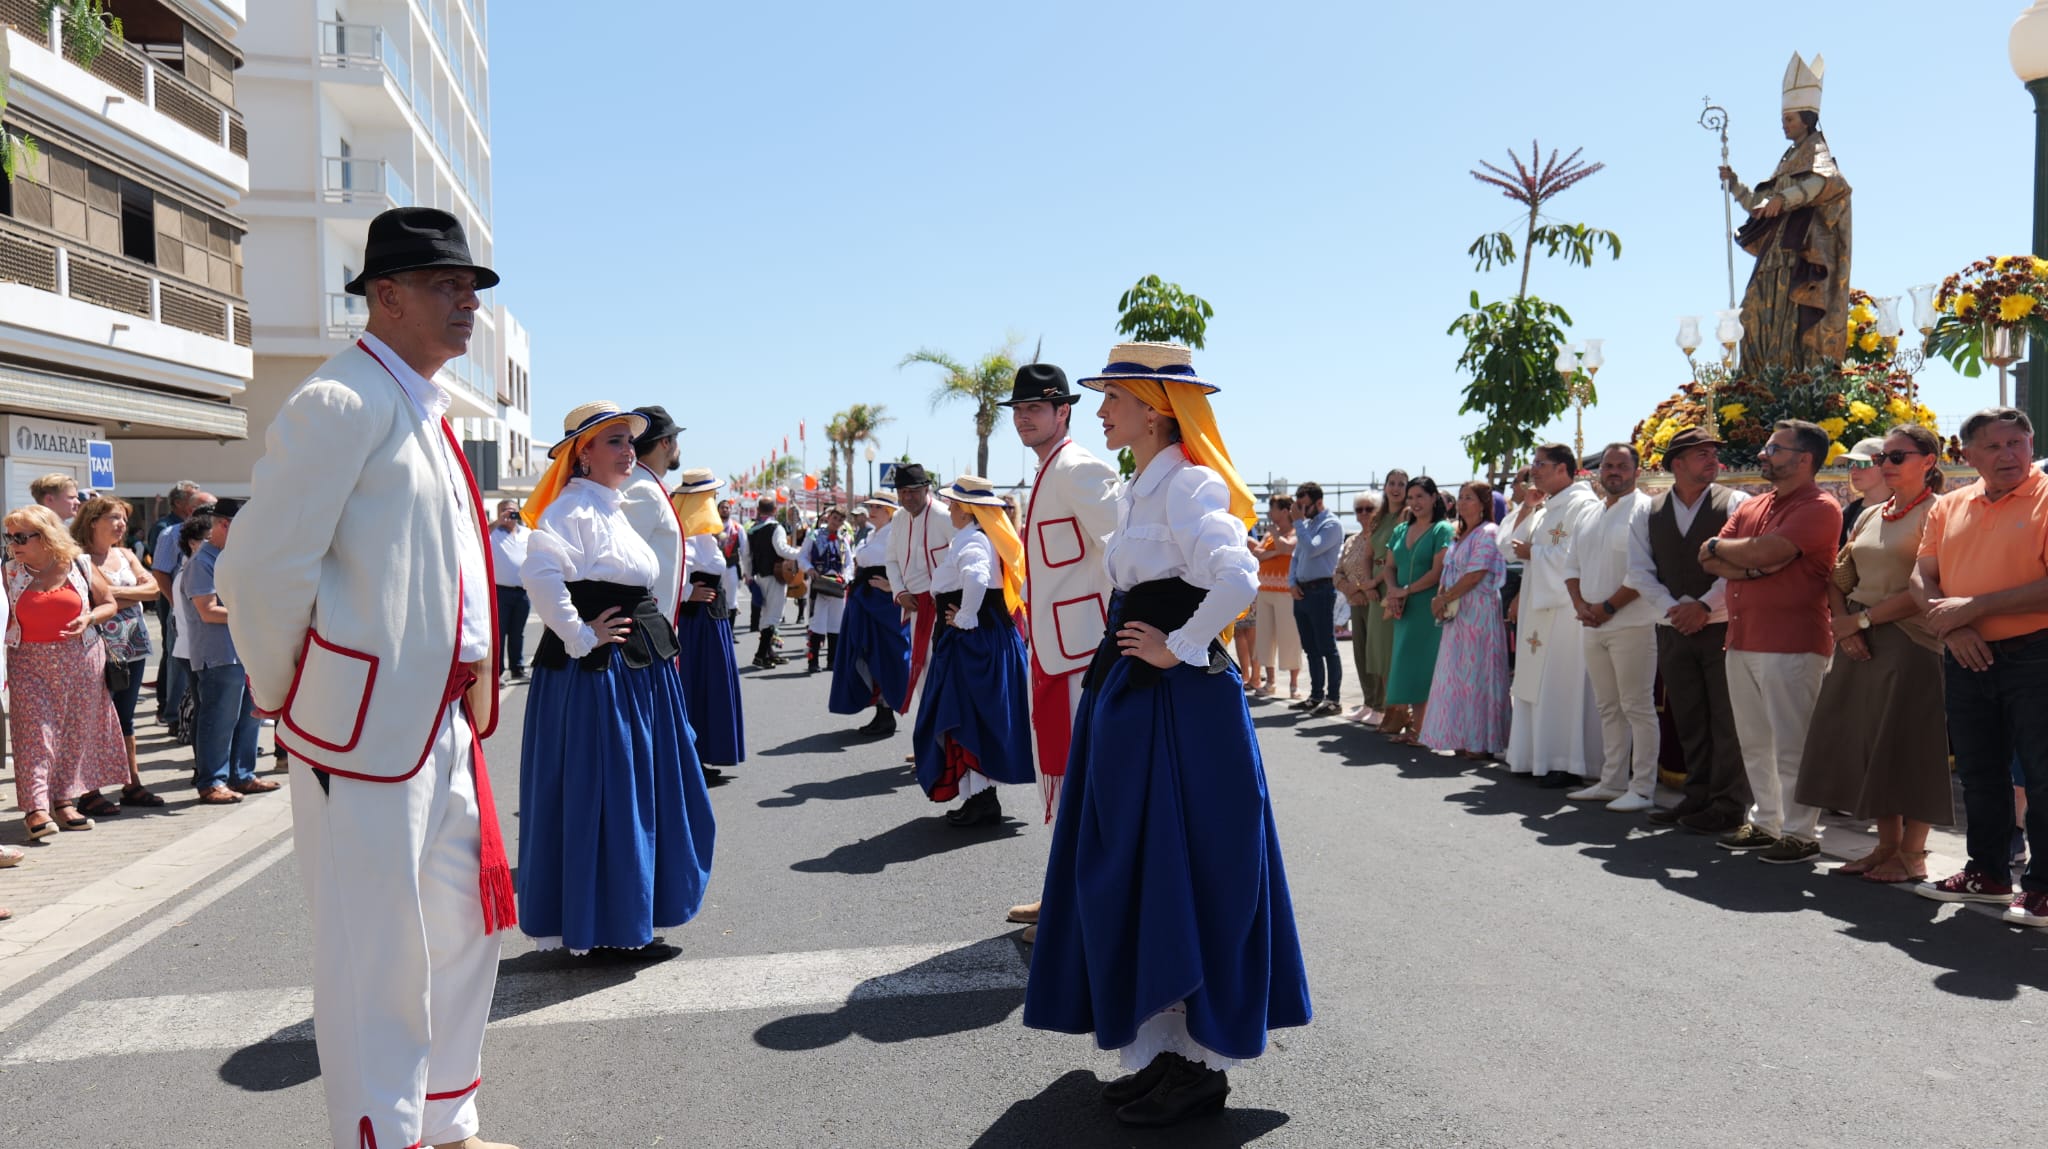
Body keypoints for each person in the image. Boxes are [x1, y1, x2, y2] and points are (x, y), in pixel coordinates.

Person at [216, 206, 519, 1149]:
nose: (467, 304)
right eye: (445, 286)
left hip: (439, 724)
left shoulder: (417, 403)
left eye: (471, 288)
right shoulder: (341, 399)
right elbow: (258, 573)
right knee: (376, 958)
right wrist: (291, 698)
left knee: (465, 930)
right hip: (362, 735)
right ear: (385, 296)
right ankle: (383, 1139)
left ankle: (445, 1122)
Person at [1024, 342, 1310, 1128]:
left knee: (1185, 863)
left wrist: (1178, 646)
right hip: (1138, 704)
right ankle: (1162, 1055)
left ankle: (1199, 1068)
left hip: (1180, 711)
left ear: (1154, 408)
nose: (1103, 409)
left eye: (1113, 396)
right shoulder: (1145, 486)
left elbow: (1240, 577)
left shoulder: (1188, 482)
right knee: (1138, 863)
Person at [516, 401, 717, 957]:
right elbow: (539, 571)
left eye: (631, 442)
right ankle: (609, 927)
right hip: (601, 675)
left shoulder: (606, 507)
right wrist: (581, 635)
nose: (629, 450)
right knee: (610, 790)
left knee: (633, 788)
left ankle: (623, 916)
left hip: (634, 670)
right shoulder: (571, 509)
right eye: (615, 442)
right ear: (583, 454)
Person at [1792, 424, 1948, 883]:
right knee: (1869, 744)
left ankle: (1913, 854)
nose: (1886, 465)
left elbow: (1927, 586)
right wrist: (1845, 627)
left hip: (1912, 640)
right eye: (1884, 457)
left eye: (1898, 457)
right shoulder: (1869, 514)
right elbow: (1839, 576)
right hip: (1860, 638)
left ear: (1929, 461)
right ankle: (1885, 847)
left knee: (1911, 746)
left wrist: (1862, 622)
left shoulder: (1941, 512)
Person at [1911, 407, 2048, 925]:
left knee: (2042, 778)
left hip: (2037, 652)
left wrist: (1975, 607)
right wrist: (1956, 626)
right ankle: (1987, 874)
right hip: (1967, 654)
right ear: (1967, 454)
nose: (2008, 454)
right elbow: (1922, 577)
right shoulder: (1950, 505)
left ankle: (2043, 888)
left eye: (2017, 442)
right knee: (1979, 773)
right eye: (1993, 446)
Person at [999, 362, 1120, 936]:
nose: (1024, 417)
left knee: (1083, 781)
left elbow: (1130, 552)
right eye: (1019, 410)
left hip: (1082, 655)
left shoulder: (1076, 468)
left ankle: (1079, 910)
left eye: (1035, 408)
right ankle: (1064, 895)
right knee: (1069, 779)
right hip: (1058, 652)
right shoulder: (1054, 470)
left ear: (1062, 411)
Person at [1700, 419, 1842, 865]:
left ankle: (1800, 832)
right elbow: (1708, 556)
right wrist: (1753, 563)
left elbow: (1763, 551)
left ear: (1804, 459)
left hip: (1794, 643)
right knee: (1755, 741)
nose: (1763, 454)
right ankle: (1766, 822)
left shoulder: (1821, 506)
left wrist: (1748, 556)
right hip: (1742, 638)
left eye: (1774, 448)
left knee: (1792, 743)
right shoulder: (1756, 505)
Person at [1625, 428, 1751, 833]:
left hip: (1720, 627)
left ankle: (1730, 804)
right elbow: (1639, 571)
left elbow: (1743, 563)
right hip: (1672, 627)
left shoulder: (1736, 503)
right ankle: (1697, 797)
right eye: (1701, 454)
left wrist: (1703, 606)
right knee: (1689, 716)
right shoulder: (1648, 511)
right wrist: (1674, 609)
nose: (1712, 460)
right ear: (1676, 463)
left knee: (1726, 717)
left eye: (1713, 453)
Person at [912, 475, 1035, 827]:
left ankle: (983, 800)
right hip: (980, 638)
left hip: (975, 641)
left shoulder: (974, 542)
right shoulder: (976, 538)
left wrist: (966, 618)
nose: (948, 508)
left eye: (953, 503)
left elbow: (978, 577)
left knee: (969, 715)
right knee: (971, 715)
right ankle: (979, 798)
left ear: (966, 510)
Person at [1719, 53, 1851, 371]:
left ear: (1806, 118)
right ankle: (1758, 381)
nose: (1784, 125)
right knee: (1753, 312)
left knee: (1791, 320)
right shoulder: (1789, 158)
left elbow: (1826, 183)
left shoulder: (1817, 153)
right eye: (1783, 120)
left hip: (1800, 257)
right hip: (1774, 255)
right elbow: (1760, 206)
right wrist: (1734, 184)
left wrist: (1787, 198)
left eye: (1789, 119)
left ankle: (1791, 378)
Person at [3, 504, 125, 838]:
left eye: (21, 536)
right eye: (9, 536)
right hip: (28, 662)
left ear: (45, 537)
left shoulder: (79, 565)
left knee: (74, 734)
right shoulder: (9, 573)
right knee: (34, 736)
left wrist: (90, 618)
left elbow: (109, 604)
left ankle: (64, 800)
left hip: (81, 659)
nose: (13, 543)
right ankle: (36, 809)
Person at [1563, 444, 1660, 811]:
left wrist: (1606, 608)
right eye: (1608, 466)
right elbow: (1571, 566)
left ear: (1637, 471)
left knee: (1637, 706)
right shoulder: (1589, 515)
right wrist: (1581, 606)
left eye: (1622, 465)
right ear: (1598, 472)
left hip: (1632, 624)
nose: (1614, 471)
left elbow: (1644, 572)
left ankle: (1643, 787)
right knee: (1607, 706)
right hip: (1592, 625)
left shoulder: (1645, 510)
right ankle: (1612, 781)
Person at [1505, 444, 1603, 785]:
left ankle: (1566, 760)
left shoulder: (1583, 505)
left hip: (1564, 610)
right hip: (1538, 604)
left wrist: (1536, 553)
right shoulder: (1546, 506)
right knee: (1537, 684)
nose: (1534, 470)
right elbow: (1509, 547)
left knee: (1562, 683)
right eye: (1533, 463)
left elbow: (1578, 556)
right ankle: (1535, 756)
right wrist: (1526, 508)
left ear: (1563, 468)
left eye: (1540, 464)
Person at [71, 496, 166, 813]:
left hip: (133, 645)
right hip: (95, 647)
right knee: (94, 717)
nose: (121, 524)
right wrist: (124, 596)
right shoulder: (78, 558)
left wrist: (109, 596)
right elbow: (84, 601)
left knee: (125, 717)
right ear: (92, 521)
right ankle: (89, 791)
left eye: (124, 518)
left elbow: (153, 591)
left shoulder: (125, 554)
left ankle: (132, 783)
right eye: (114, 517)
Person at [185, 498, 273, 803]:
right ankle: (211, 782)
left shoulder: (233, 558)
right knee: (219, 720)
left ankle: (242, 775)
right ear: (225, 525)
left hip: (244, 652)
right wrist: (255, 614)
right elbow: (207, 611)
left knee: (249, 718)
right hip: (219, 655)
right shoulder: (203, 561)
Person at [1419, 481, 1511, 758]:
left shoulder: (1489, 532)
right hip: (1457, 614)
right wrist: (1439, 597)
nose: (1461, 502)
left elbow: (1476, 574)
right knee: (1456, 676)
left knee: (1477, 675)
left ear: (1483, 503)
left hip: (1478, 612)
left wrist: (1444, 599)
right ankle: (1459, 734)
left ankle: (1480, 740)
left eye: (1468, 497)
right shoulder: (1460, 534)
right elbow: (1448, 572)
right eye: (1460, 497)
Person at [675, 469, 746, 778]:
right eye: (711, 495)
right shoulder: (688, 533)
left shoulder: (702, 531)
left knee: (712, 686)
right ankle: (695, 759)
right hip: (698, 623)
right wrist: (689, 593)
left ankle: (704, 754)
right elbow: (670, 574)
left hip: (712, 619)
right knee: (699, 686)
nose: (716, 500)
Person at [830, 492, 912, 735]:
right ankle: (881, 712)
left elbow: (905, 565)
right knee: (867, 654)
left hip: (883, 605)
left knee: (885, 655)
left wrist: (891, 586)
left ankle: (887, 713)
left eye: (878, 507)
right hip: (867, 600)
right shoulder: (874, 534)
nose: (872, 510)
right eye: (872, 506)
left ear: (890, 512)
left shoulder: (895, 535)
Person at [1382, 476, 1454, 743]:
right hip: (1402, 607)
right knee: (1407, 665)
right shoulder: (1401, 530)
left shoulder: (1442, 529)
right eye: (1410, 498)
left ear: (1434, 497)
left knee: (1425, 667)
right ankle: (1416, 727)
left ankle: (1423, 729)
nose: (1414, 503)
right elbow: (1389, 566)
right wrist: (1393, 590)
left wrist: (1406, 590)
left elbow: (1438, 572)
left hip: (1427, 607)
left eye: (1420, 497)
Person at [884, 463, 957, 701]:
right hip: (914, 605)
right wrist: (900, 591)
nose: (908, 497)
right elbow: (891, 560)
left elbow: (961, 560)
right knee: (920, 666)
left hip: (943, 609)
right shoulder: (898, 518)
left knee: (942, 666)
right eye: (903, 491)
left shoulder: (945, 517)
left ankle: (942, 729)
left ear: (927, 489)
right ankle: (930, 726)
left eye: (914, 490)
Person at [620, 405, 687, 627]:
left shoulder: (647, 484)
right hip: (647, 626)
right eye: (675, 439)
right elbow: (624, 566)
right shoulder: (644, 489)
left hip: (653, 622)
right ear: (665, 442)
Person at [145, 480, 201, 723]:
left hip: (191, 604)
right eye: (195, 502)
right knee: (173, 655)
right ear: (180, 504)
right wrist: (175, 603)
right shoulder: (167, 529)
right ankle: (169, 711)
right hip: (174, 605)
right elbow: (160, 571)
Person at [1288, 481, 1345, 717]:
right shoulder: (1308, 525)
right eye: (1298, 506)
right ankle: (1316, 695)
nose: (1300, 511)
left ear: (1318, 502)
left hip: (1321, 590)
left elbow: (1312, 549)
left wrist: (1298, 523)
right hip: (1302, 591)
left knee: (1326, 646)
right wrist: (1292, 583)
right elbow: (1296, 557)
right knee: (1310, 648)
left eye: (1304, 505)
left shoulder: (1331, 525)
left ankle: (1333, 698)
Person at [1362, 470, 1410, 727]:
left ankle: (1400, 711)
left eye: (1401, 484)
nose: (1396, 488)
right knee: (1379, 653)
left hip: (1393, 584)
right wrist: (1368, 582)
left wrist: (1376, 581)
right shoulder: (1378, 518)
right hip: (1375, 589)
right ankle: (1388, 710)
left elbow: (1398, 557)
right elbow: (1368, 553)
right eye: (1392, 483)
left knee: (1394, 652)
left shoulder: (1407, 516)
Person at [1248, 496, 1302, 699]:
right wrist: (1275, 551)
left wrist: (1275, 545)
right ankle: (1270, 682)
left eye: (1273, 508)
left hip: (1286, 592)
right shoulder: (1271, 534)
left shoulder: (1296, 530)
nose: (1270, 512)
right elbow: (1259, 554)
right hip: (1265, 590)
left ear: (1285, 510)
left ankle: (1294, 684)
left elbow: (1288, 548)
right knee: (1265, 637)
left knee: (1289, 637)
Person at [1335, 493, 1379, 724]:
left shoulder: (1380, 537)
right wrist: (1350, 590)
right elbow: (1338, 572)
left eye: (1368, 508)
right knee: (1360, 654)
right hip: (1354, 602)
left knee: (1375, 654)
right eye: (1359, 509)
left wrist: (1362, 589)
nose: (1363, 513)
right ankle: (1368, 701)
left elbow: (1382, 567)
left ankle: (1379, 705)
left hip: (1374, 601)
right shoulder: (1351, 540)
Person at [740, 497, 800, 668]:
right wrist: (799, 553)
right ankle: (760, 655)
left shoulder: (752, 530)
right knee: (773, 615)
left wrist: (749, 575)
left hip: (760, 576)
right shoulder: (776, 528)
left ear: (759, 510)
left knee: (766, 614)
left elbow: (746, 555)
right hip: (775, 575)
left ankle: (769, 652)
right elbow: (781, 549)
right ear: (775, 510)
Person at [800, 507, 851, 672]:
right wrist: (809, 569)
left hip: (836, 584)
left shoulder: (843, 539)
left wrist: (846, 576)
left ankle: (832, 661)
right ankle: (813, 661)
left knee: (836, 622)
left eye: (840, 520)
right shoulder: (813, 535)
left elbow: (849, 562)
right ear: (829, 517)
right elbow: (802, 556)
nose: (836, 523)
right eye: (834, 518)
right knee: (817, 622)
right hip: (819, 582)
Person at [489, 500, 531, 680]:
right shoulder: (493, 533)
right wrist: (498, 521)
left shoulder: (526, 533)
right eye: (506, 512)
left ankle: (517, 668)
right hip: (500, 592)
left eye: (514, 511)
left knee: (517, 632)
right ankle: (497, 672)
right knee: (499, 633)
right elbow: (480, 531)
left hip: (522, 591)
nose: (510, 515)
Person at [1837, 437, 1889, 550]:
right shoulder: (1846, 513)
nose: (1853, 470)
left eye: (1862, 463)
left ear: (1886, 465)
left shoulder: (1905, 509)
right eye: (1851, 464)